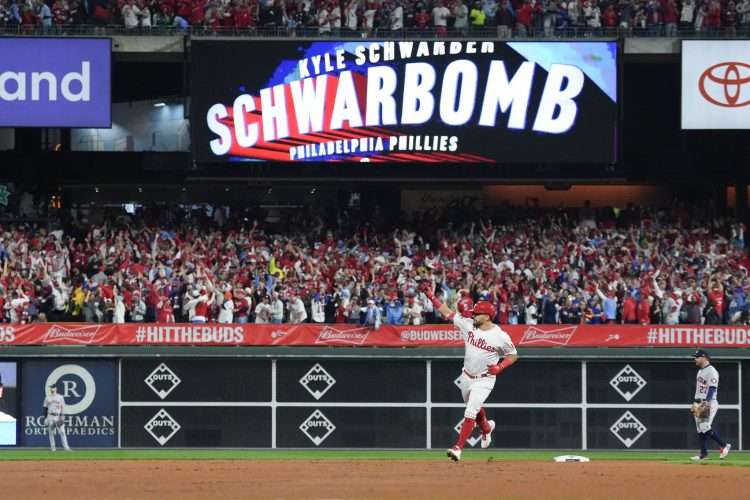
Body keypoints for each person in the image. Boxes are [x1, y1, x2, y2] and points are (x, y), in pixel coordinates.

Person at [423, 283, 518, 462]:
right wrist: (431, 297)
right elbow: (447, 312)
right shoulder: (469, 325)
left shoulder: (500, 335)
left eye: (477, 313)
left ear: (487, 316)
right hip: (466, 377)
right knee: (476, 409)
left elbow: (513, 355)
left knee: (470, 411)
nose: (473, 314)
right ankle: (486, 429)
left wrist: (500, 367)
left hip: (485, 379)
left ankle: (457, 448)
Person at [690, 349, 730, 461]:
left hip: (708, 402)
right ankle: (703, 454)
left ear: (704, 357)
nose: (695, 359)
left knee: (704, 427)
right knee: (700, 430)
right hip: (698, 401)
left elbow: (712, 388)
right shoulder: (700, 371)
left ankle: (724, 445)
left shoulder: (712, 371)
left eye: (697, 357)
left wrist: (706, 402)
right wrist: (696, 402)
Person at [43, 384, 71, 452]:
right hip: (50, 416)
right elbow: (45, 408)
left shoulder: (60, 397)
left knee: (62, 432)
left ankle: (66, 448)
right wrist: (45, 418)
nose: (52, 389)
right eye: (51, 388)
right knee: (51, 433)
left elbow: (62, 407)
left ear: (56, 389)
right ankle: (53, 448)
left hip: (58, 416)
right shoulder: (47, 397)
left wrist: (62, 416)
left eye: (53, 388)